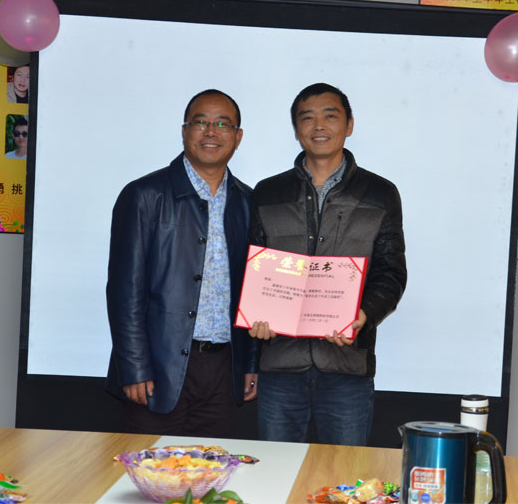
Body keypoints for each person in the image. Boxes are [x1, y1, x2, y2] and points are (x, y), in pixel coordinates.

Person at [248, 83, 407, 446]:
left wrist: (363, 315)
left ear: (349, 124)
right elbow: (253, 268)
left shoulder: (380, 193)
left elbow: (391, 272)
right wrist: (255, 315)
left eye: (330, 116)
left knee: (342, 473)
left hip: (346, 366)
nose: (319, 126)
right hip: (280, 365)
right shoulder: (268, 192)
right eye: (307, 118)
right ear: (296, 129)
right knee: (277, 471)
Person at [106, 89, 258, 437]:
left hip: (223, 371)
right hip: (158, 369)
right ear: (184, 131)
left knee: (211, 467)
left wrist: (250, 363)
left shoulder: (248, 202)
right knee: (151, 468)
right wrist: (134, 367)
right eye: (200, 122)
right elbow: (124, 291)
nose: (211, 132)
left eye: (223, 124)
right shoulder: (144, 196)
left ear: (238, 137)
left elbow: (252, 292)